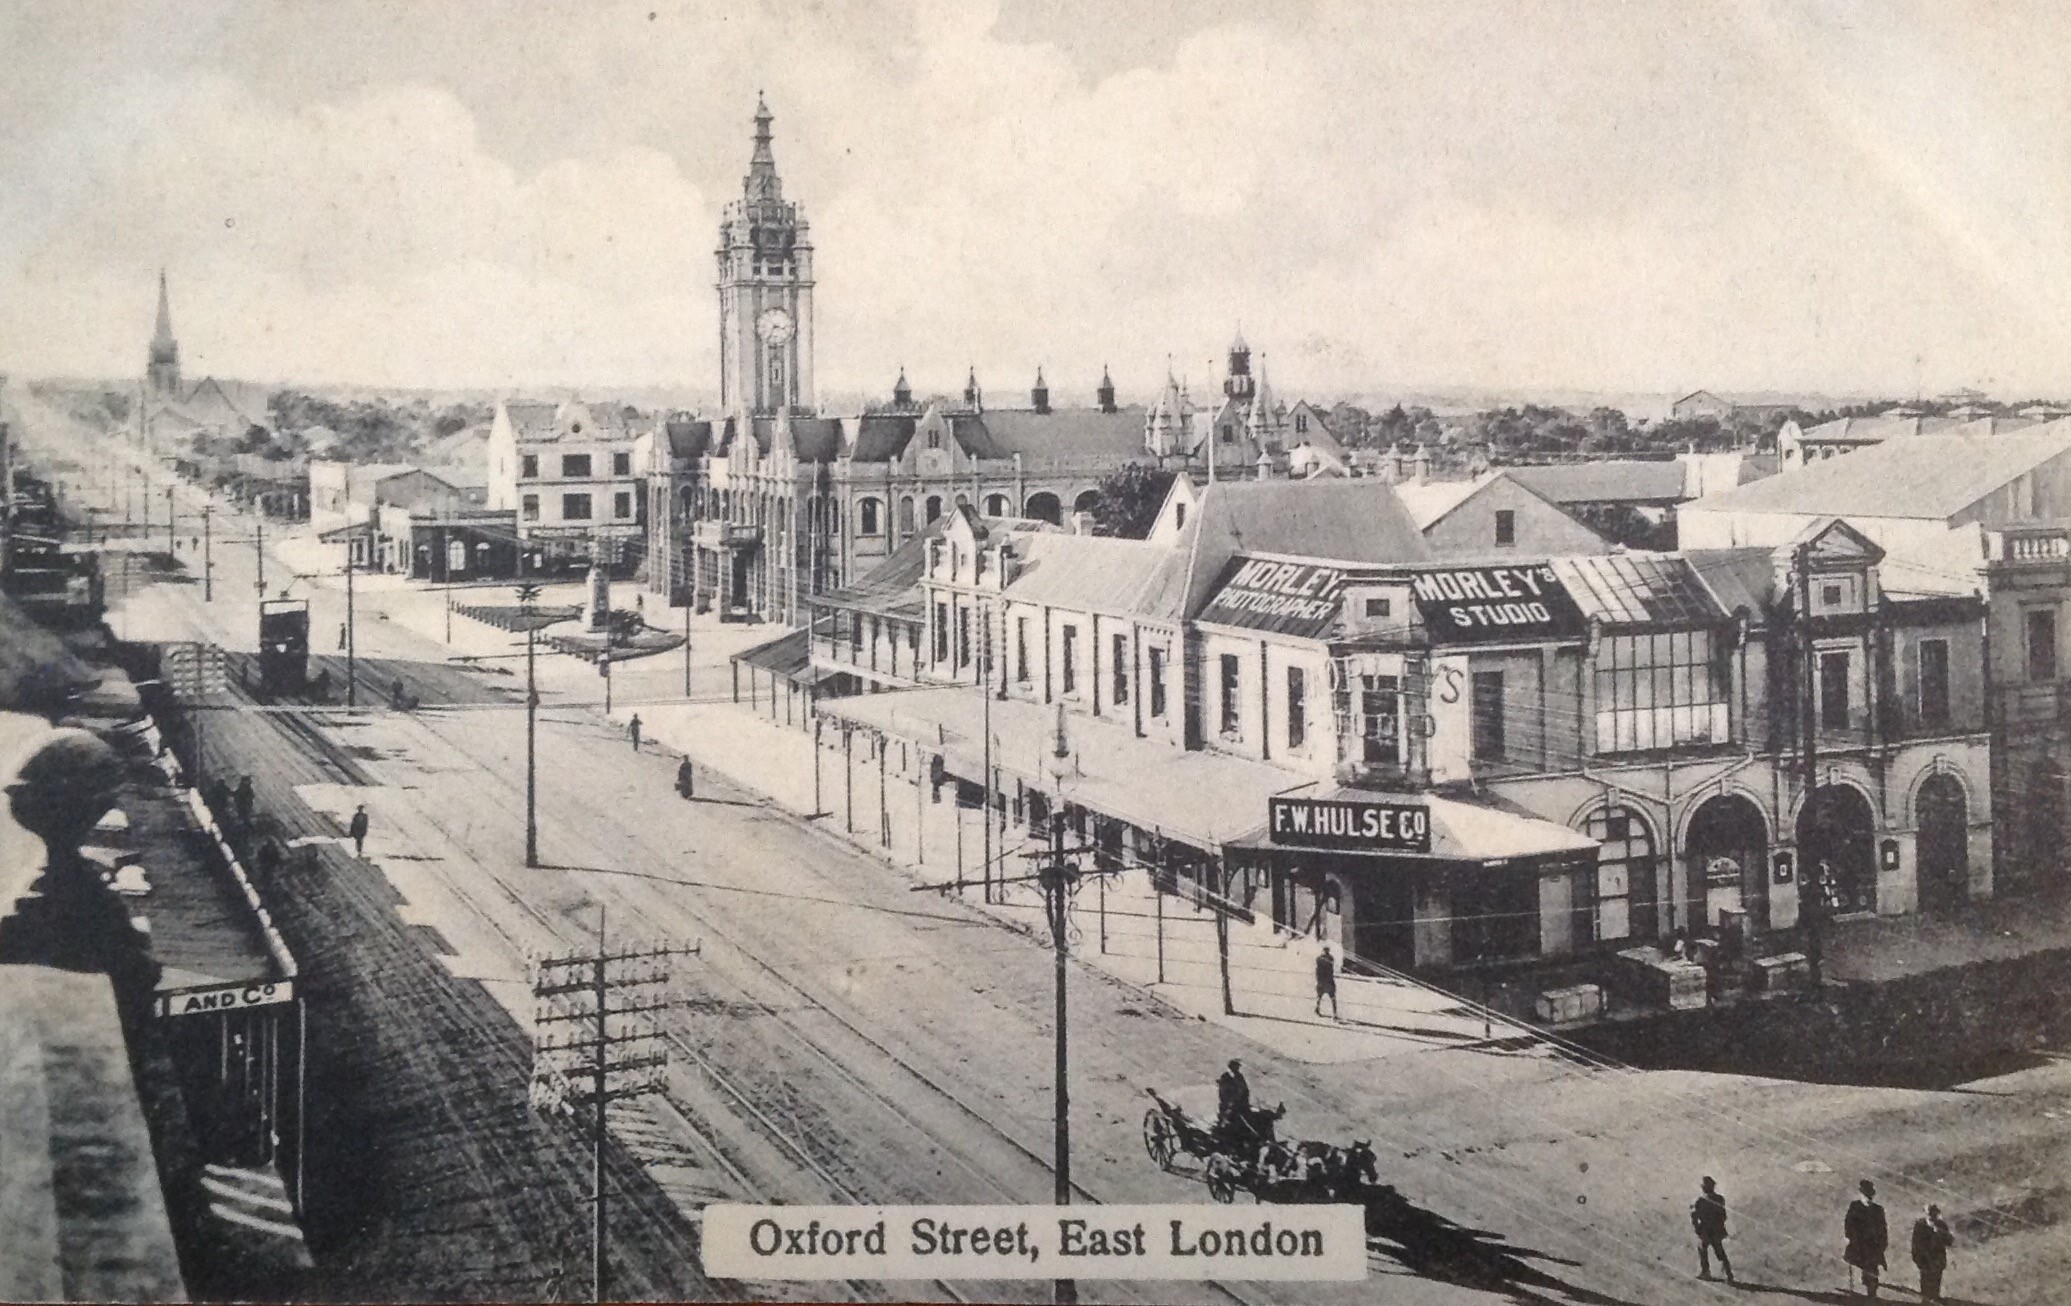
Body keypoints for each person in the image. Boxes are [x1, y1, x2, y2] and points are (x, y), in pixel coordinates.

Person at [1845, 1179, 1888, 1298]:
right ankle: (1866, 1281)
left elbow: (1883, 1229)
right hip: (1858, 1243)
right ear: (1861, 1195)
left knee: (1872, 1270)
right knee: (1863, 1264)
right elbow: (1849, 1224)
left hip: (1872, 1246)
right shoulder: (1855, 1206)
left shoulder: (1878, 1210)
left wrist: (1882, 1245)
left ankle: (1872, 1293)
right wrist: (1850, 1237)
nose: (1868, 1198)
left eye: (1870, 1196)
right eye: (1865, 1195)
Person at [1691, 1176, 1733, 1283]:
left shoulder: (1700, 1200)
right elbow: (1723, 1215)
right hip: (1717, 1229)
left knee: (1702, 1248)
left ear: (1703, 1187)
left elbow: (1694, 1216)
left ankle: (1705, 1272)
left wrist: (1697, 1228)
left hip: (1705, 1229)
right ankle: (1728, 1274)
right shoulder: (1720, 1199)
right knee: (1720, 1251)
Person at [1911, 1203, 1952, 1304]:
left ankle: (1935, 1297)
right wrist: (1917, 1256)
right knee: (1925, 1280)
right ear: (1926, 1213)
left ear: (1936, 1214)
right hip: (1925, 1257)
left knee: (1936, 1279)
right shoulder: (1920, 1224)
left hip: (1937, 1258)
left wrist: (1940, 1233)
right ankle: (1925, 1300)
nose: (1931, 1216)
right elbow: (1915, 1241)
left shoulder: (1942, 1225)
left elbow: (1949, 1241)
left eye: (1933, 1213)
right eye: (1929, 1213)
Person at [1216, 1059, 1251, 1135]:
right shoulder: (1226, 1076)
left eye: (1237, 1066)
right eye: (1235, 1066)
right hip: (1229, 1104)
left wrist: (1244, 1098)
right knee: (1226, 1118)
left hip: (1242, 1103)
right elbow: (1223, 1091)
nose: (1237, 1068)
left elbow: (1245, 1089)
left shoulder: (1239, 1076)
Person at [1314, 945, 1339, 1020]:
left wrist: (1318, 980)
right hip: (1328, 981)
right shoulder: (1330, 958)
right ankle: (1334, 1014)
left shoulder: (1319, 958)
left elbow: (1317, 971)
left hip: (1322, 981)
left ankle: (1317, 1008)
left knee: (1319, 996)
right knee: (1332, 998)